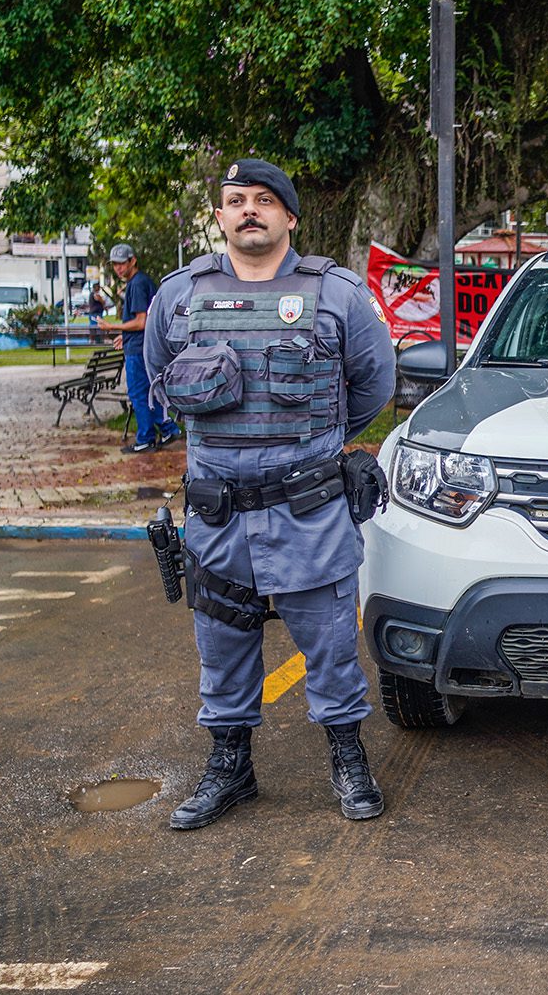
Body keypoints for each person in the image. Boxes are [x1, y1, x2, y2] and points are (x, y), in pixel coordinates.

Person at [143, 159, 396, 831]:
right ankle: (231, 767)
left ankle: (347, 757)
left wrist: (312, 447)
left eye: (263, 200)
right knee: (221, 646)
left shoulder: (337, 294)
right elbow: (162, 383)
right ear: (221, 217)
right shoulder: (177, 296)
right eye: (235, 200)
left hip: (308, 509)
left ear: (289, 216)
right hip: (218, 514)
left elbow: (373, 384)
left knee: (332, 644)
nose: (248, 210)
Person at [98, 244, 179, 453]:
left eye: (122, 263)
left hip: (138, 349)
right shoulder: (141, 282)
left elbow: (141, 321)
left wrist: (112, 326)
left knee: (139, 393)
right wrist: (124, 335)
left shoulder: (136, 284)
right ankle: (167, 428)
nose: (118, 269)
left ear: (133, 261)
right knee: (149, 391)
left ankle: (146, 437)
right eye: (115, 265)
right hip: (141, 344)